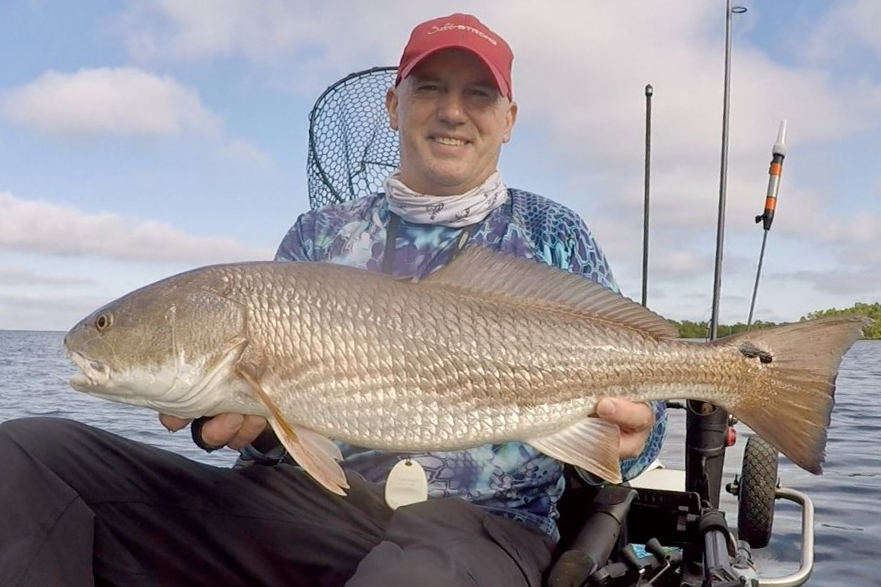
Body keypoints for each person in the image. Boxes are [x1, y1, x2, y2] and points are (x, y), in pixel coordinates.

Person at [0, 13, 665, 587]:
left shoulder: (554, 235)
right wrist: (239, 423)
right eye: (429, 88)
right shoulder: (319, 234)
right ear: (392, 105)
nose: (452, 110)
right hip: (316, 508)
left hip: (486, 528)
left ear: (509, 118)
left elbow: (642, 418)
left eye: (479, 94)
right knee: (28, 457)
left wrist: (634, 436)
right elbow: (273, 441)